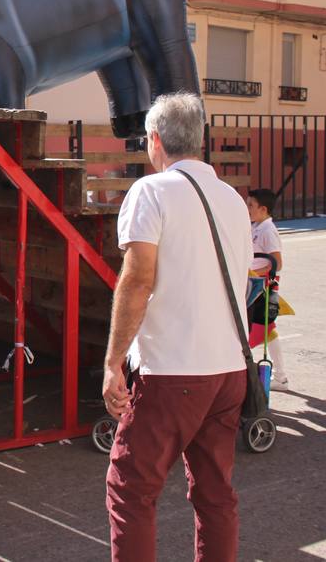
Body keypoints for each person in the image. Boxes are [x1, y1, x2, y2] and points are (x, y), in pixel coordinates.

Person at [102, 93, 251, 562]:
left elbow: (137, 278)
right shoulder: (232, 199)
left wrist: (112, 363)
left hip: (172, 372)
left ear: (155, 140)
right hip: (229, 368)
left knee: (131, 488)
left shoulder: (152, 191)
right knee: (214, 493)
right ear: (200, 139)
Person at [245, 188, 288, 390]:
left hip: (261, 285)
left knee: (262, 328)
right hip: (255, 283)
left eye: (251, 205)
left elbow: (277, 262)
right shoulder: (256, 226)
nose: (248, 208)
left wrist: (254, 274)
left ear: (263, 209)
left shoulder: (268, 230)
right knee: (268, 331)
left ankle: (278, 376)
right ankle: (280, 376)